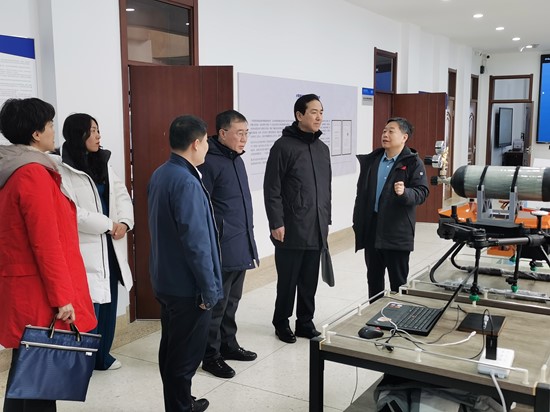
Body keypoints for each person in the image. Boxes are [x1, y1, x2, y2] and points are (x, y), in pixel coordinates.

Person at [0, 98, 96, 412]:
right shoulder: (32, 174)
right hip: (39, 293)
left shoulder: (14, 169)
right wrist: (62, 298)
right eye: (51, 124)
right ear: (36, 133)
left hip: (24, 287)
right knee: (39, 382)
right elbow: (46, 243)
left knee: (26, 374)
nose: (54, 130)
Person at [148, 114, 223, 412]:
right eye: (206, 142)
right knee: (185, 356)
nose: (207, 148)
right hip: (187, 287)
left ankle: (180, 401)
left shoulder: (162, 173)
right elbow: (196, 243)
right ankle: (180, 407)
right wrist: (209, 289)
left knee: (171, 348)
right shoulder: (186, 182)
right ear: (195, 143)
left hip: (166, 280)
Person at [50, 113, 134, 371]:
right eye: (93, 131)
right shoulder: (60, 167)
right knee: (90, 305)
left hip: (110, 243)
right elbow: (71, 212)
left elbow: (121, 194)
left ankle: (102, 357)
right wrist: (108, 225)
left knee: (109, 302)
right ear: (79, 134)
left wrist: (125, 222)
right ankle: (83, 361)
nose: (98, 136)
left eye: (98, 130)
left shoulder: (103, 161)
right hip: (86, 246)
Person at [263, 94, 332, 344]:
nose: (319, 117)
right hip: (291, 227)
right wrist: (276, 222)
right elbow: (272, 188)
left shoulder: (322, 149)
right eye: (313, 112)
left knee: (309, 280)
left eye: (321, 112)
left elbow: (326, 188)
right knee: (288, 280)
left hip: (316, 226)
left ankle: (305, 322)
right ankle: (281, 322)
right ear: (299, 115)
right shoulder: (283, 147)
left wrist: (326, 219)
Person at [198, 110, 259, 379]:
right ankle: (210, 356)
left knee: (232, 300)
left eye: (246, 133)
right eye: (239, 133)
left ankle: (228, 345)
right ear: (222, 134)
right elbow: (203, 207)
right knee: (217, 305)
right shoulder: (209, 162)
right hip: (222, 246)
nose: (244, 138)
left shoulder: (236, 159)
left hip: (241, 242)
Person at [352, 117, 429, 300]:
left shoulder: (413, 162)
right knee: (374, 280)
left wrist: (405, 193)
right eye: (384, 131)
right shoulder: (373, 160)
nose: (385, 134)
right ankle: (374, 315)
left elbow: (422, 192)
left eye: (391, 131)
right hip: (373, 229)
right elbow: (361, 194)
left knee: (398, 283)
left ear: (404, 137)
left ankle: (399, 315)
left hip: (397, 232)